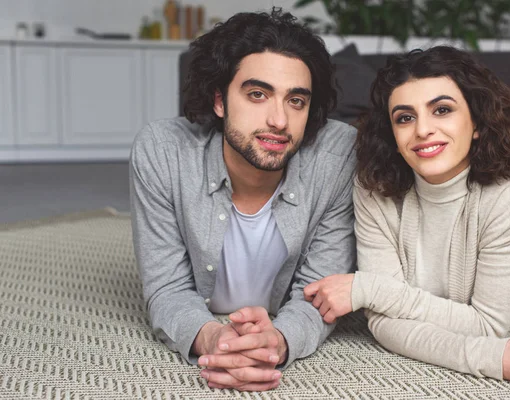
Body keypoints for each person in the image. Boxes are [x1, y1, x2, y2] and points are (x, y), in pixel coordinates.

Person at [304, 46, 510, 384]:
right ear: (392, 135)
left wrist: (367, 289)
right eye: (405, 117)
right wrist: (486, 355)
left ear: (476, 123)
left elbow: (486, 326)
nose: (422, 130)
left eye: (442, 110)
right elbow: (383, 323)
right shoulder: (373, 185)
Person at [129, 8, 357, 392]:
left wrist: (278, 341)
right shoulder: (162, 151)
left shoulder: (337, 155)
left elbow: (322, 288)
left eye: (296, 101)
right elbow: (166, 287)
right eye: (257, 94)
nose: (279, 120)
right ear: (220, 101)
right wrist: (212, 339)